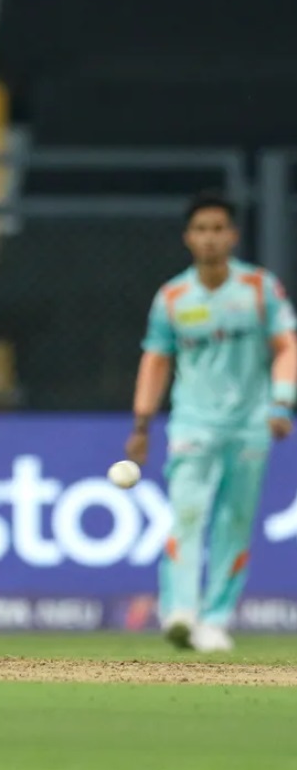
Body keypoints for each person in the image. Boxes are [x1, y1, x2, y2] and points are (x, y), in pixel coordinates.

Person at [126, 190, 297, 653]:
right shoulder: (174, 297)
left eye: (218, 229)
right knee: (187, 515)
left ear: (233, 235)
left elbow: (286, 346)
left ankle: (215, 619)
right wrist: (142, 424)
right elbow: (156, 359)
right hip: (192, 425)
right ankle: (180, 612)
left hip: (249, 425)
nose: (210, 239)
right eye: (201, 230)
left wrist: (282, 402)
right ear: (188, 238)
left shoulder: (261, 289)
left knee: (234, 523)